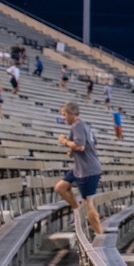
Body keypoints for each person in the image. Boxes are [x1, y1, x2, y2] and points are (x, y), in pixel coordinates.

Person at [54, 101, 104, 236]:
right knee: (60, 187)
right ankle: (78, 210)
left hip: (88, 171)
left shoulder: (77, 126)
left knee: (89, 204)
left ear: (71, 114)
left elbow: (80, 146)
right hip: (80, 169)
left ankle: (100, 235)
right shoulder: (84, 126)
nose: (63, 118)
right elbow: (92, 145)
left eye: (64, 115)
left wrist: (64, 141)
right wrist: (72, 150)